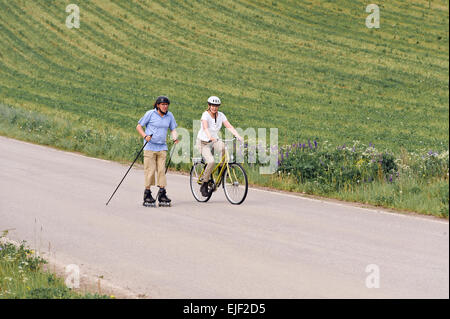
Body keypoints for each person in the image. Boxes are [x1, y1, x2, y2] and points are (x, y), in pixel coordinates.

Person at [196, 96, 243, 197]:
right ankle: (204, 184)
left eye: (216, 106)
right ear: (209, 106)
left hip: (214, 140)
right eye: (212, 105)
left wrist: (237, 135)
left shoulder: (221, 115)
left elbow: (229, 126)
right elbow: (205, 127)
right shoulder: (205, 115)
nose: (214, 108)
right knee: (211, 161)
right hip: (203, 142)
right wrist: (210, 137)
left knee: (224, 148)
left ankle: (221, 169)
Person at [136, 96, 178, 207]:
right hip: (149, 147)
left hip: (162, 147)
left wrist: (175, 138)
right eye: (163, 105)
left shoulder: (170, 116)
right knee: (150, 170)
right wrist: (145, 136)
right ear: (158, 105)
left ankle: (162, 193)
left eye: (166, 105)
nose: (165, 107)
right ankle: (147, 193)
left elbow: (173, 128)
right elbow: (139, 126)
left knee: (161, 171)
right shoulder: (150, 114)